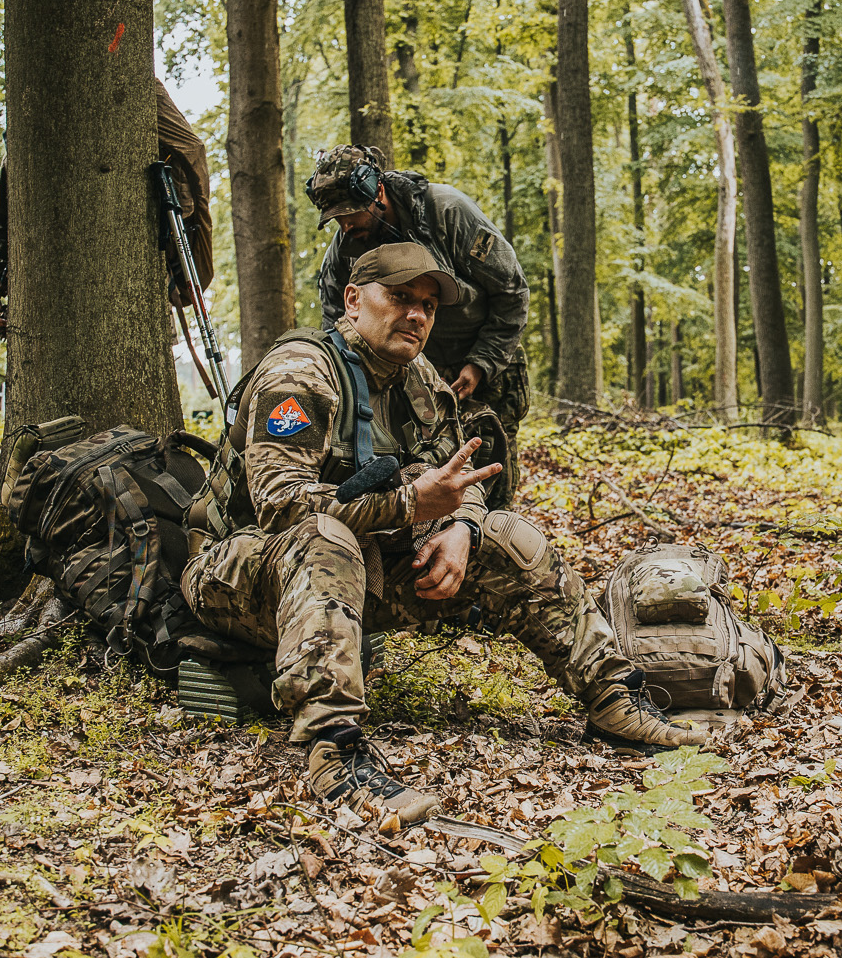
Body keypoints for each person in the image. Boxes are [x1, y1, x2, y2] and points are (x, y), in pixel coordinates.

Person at [179, 240, 700, 827]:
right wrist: (409, 503)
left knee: (508, 537)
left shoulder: (418, 378)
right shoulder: (300, 373)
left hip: (354, 570)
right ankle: (335, 754)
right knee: (324, 538)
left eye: (428, 305)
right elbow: (281, 509)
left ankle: (612, 697)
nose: (417, 315)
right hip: (239, 574)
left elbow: (462, 474)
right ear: (353, 300)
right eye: (400, 297)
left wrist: (460, 526)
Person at [305, 148, 529, 507]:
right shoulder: (345, 252)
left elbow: (512, 292)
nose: (345, 225)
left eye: (351, 213)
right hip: (416, 374)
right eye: (336, 218)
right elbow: (338, 324)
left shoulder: (447, 213)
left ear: (377, 191)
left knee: (490, 468)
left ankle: (490, 529)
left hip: (486, 356)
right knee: (428, 475)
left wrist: (481, 363)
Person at [0, 79, 213, 332]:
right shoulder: (30, 110)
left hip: (137, 270)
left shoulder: (134, 85)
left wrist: (175, 228)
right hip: (45, 289)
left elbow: (190, 153)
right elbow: (2, 213)